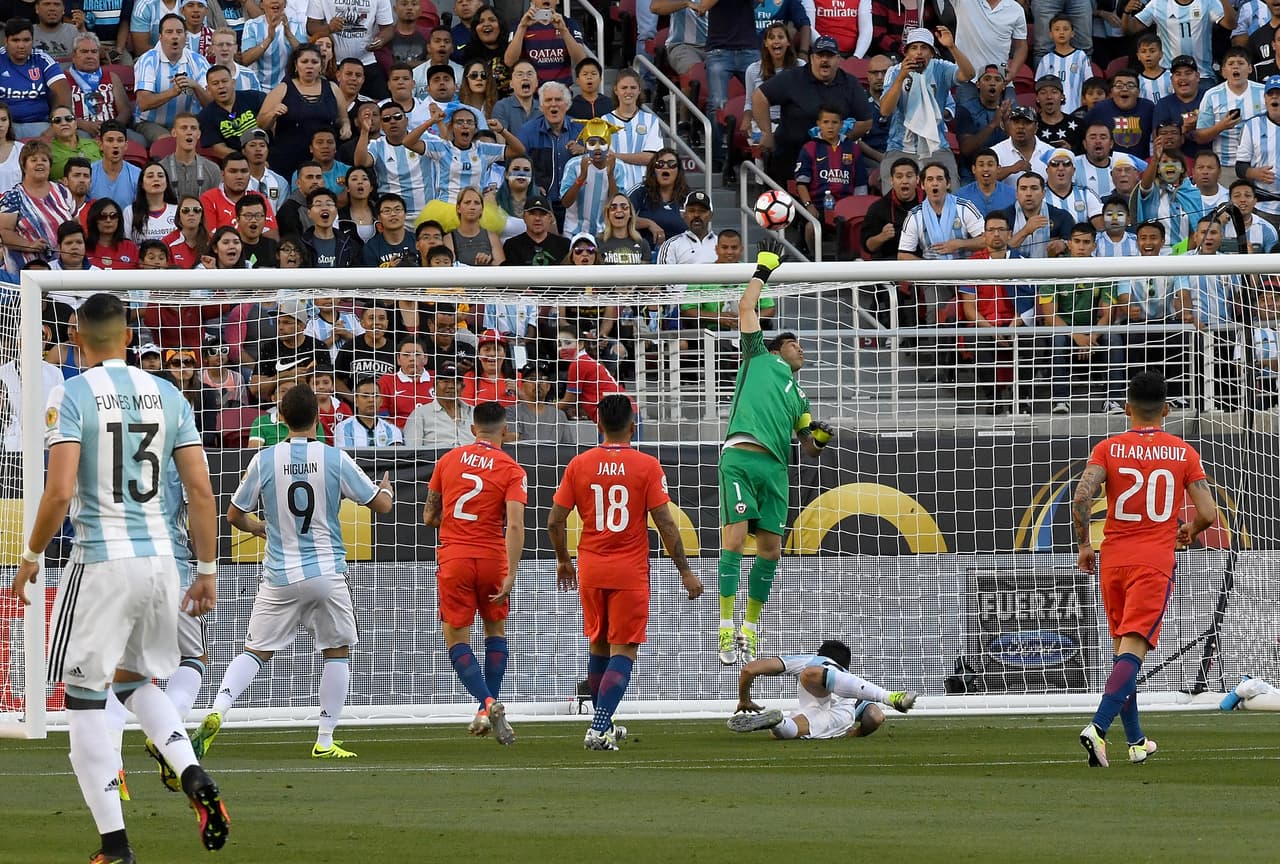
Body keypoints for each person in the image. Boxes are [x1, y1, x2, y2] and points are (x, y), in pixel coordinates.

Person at [9, 292, 230, 862]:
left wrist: (31, 555)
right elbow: (202, 493)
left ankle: (115, 843)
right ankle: (192, 772)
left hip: (102, 563)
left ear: (77, 340)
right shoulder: (170, 394)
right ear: (129, 337)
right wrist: (205, 570)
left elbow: (59, 492)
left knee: (83, 701)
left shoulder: (73, 393)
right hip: (163, 564)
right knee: (136, 684)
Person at [198, 384, 393, 762]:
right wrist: (386, 489)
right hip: (326, 572)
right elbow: (381, 506)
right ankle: (324, 738)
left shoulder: (264, 460)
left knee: (254, 652)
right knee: (337, 651)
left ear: (281, 417)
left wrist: (259, 528)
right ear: (318, 417)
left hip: (280, 574)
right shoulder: (335, 458)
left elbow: (234, 514)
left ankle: (218, 710)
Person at [1071, 369, 1219, 767]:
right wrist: (1190, 528)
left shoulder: (1108, 448)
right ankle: (1098, 727)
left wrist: (1085, 544)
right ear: (1167, 410)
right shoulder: (1182, 452)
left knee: (1123, 649)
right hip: (1153, 561)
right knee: (1135, 647)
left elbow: (1082, 495)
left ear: (1126, 409)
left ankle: (1136, 741)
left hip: (1114, 559)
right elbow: (1208, 512)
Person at [548, 394, 700, 750]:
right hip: (629, 572)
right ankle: (599, 728)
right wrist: (685, 572)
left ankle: (604, 722)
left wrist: (563, 560)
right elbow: (665, 523)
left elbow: (554, 520)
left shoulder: (579, 464)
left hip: (590, 569)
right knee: (624, 650)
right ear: (633, 425)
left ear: (598, 425)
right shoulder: (646, 465)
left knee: (599, 646)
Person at [716, 241, 833, 665]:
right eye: (795, 343)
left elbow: (807, 450)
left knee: (770, 550)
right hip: (742, 457)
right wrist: (764, 267)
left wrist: (817, 440)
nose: (801, 349)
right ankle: (725, 629)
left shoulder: (801, 399)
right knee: (733, 538)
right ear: (777, 347)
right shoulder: (756, 358)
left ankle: (749, 627)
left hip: (777, 470)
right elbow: (748, 307)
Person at [419, 400, 525, 742]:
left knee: (456, 636)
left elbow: (429, 516)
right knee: (495, 630)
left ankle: (487, 702)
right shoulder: (511, 469)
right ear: (505, 431)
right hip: (493, 557)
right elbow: (515, 526)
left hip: (456, 558)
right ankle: (486, 709)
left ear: (471, 428)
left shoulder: (447, 460)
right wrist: (510, 572)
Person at [728, 639, 917, 739]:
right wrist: (856, 733)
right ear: (846, 667)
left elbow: (749, 669)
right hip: (840, 712)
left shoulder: (806, 659)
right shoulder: (856, 688)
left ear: (820, 654)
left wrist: (744, 699)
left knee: (788, 728)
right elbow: (876, 717)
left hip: (812, 695)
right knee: (812, 679)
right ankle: (888, 696)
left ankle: (779, 723)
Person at [878, 28, 973, 190]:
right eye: (914, 48)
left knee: (951, 197)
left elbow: (968, 74)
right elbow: (885, 111)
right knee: (893, 202)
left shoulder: (941, 68)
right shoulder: (894, 71)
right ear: (906, 52)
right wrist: (901, 77)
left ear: (932, 53)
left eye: (924, 47)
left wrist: (952, 47)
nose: (919, 53)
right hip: (900, 147)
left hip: (937, 147)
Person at [258, 43, 350, 179]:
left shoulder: (333, 88)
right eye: (304, 61)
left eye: (314, 62)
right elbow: (261, 123)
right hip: (287, 159)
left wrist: (346, 125)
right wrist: (273, 113)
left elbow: (343, 117)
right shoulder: (283, 88)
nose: (309, 66)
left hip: (324, 160)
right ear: (296, 65)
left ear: (321, 65)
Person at [133, 14, 212, 144]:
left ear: (185, 37)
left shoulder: (198, 61)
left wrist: (196, 87)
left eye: (179, 32)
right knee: (168, 142)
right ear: (160, 37)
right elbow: (143, 103)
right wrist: (172, 92)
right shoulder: (148, 60)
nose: (175, 36)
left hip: (188, 123)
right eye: (169, 32)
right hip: (150, 122)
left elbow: (210, 104)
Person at [0, 140, 75, 273]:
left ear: (50, 165)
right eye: (33, 160)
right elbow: (4, 232)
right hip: (23, 270)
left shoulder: (63, 192)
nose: (40, 163)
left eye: (44, 160)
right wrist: (29, 246)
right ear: (24, 166)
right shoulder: (13, 196)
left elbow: (75, 228)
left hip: (60, 270)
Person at [0, 17, 71, 138]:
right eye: (15, 40)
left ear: (32, 41)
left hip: (40, 124)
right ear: (6, 41)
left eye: (26, 40)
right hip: (4, 125)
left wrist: (53, 128)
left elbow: (63, 92)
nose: (21, 45)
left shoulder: (42, 59)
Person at [404, 361, 475, 446]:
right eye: (445, 381)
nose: (451, 386)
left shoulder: (474, 412)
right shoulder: (419, 414)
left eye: (455, 382)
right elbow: (412, 451)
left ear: (463, 387)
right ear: (435, 386)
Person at [333, 375, 405, 445]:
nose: (371, 400)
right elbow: (345, 456)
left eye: (375, 396)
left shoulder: (392, 430)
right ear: (356, 401)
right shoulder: (343, 428)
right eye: (365, 396)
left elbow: (395, 456)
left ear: (381, 401)